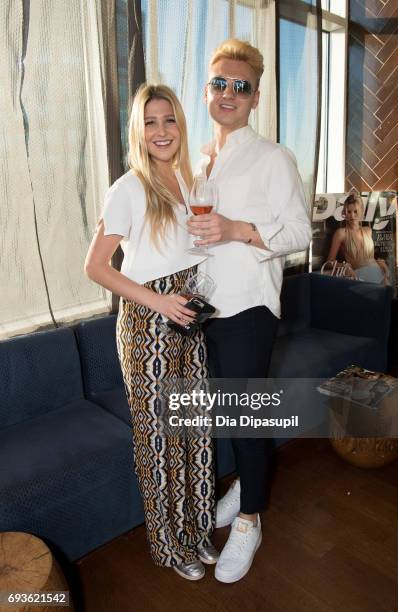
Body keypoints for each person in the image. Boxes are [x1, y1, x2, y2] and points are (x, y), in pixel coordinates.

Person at [187, 39, 312, 583]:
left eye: (241, 86)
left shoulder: (273, 157)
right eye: (220, 83)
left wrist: (239, 230)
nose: (229, 93)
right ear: (206, 90)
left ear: (256, 97)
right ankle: (245, 484)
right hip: (201, 308)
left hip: (248, 309)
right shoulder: (198, 159)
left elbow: (303, 233)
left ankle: (250, 519)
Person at [84, 84, 217, 581]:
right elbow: (95, 266)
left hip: (189, 316)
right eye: (151, 122)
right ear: (138, 131)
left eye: (170, 120)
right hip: (146, 323)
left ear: (181, 124)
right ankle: (170, 545)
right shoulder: (129, 187)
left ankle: (196, 527)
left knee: (196, 430)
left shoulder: (192, 180)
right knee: (161, 438)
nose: (162, 131)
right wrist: (159, 300)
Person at [326, 193, 389, 284]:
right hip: (359, 278)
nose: (352, 216)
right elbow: (328, 262)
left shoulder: (368, 231)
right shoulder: (341, 233)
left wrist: (379, 262)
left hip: (377, 274)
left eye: (355, 211)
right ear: (344, 212)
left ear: (361, 212)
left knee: (389, 290)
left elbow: (369, 259)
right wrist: (343, 266)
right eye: (349, 212)